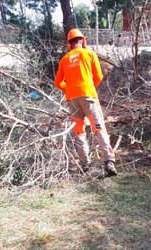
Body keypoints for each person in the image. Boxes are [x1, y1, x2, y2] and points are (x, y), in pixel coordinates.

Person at [54, 28, 117, 176]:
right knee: (98, 127)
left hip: (72, 99)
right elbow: (99, 76)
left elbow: (57, 83)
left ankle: (85, 165)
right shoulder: (89, 54)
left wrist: (70, 88)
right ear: (82, 41)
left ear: (69, 44)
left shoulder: (64, 59)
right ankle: (109, 162)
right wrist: (88, 87)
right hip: (88, 96)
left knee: (79, 131)